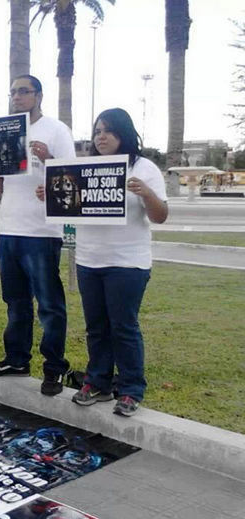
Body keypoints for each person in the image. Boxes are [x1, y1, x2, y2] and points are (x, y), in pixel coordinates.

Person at [65, 108, 168, 416]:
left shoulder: (144, 168)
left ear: (124, 133)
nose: (101, 137)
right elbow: (70, 206)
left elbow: (160, 216)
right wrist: (53, 196)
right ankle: (98, 382)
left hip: (127, 263)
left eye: (108, 130)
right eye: (97, 131)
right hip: (89, 260)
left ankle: (131, 389)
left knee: (123, 327)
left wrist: (146, 193)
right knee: (96, 327)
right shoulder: (84, 169)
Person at [0, 75, 75, 397]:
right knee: (15, 302)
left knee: (49, 304)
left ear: (39, 95)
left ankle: (54, 367)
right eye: (13, 92)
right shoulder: (6, 132)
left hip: (42, 232)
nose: (17, 97)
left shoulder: (56, 130)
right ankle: (16, 359)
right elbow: (2, 185)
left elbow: (72, 177)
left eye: (23, 91)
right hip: (9, 229)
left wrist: (48, 158)